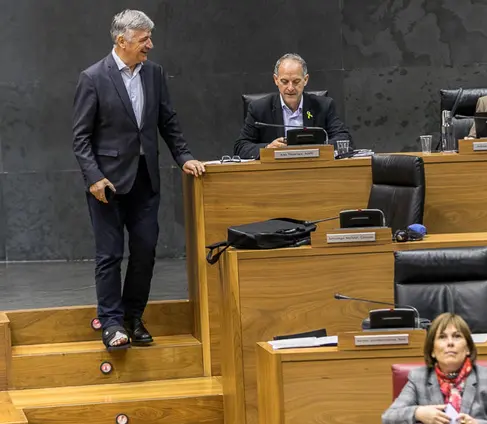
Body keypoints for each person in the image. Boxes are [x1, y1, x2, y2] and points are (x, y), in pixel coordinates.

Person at [72, 9, 205, 351]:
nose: (150, 45)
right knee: (110, 255)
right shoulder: (93, 78)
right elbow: (81, 138)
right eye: (144, 39)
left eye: (149, 38)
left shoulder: (154, 74)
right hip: (108, 186)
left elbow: (168, 122)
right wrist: (94, 177)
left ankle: (133, 317)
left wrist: (184, 156)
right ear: (122, 40)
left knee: (145, 251)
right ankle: (112, 323)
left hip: (146, 180)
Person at [382, 313, 487, 424]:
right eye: (442, 337)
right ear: (432, 351)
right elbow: (389, 418)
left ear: (467, 349)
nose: (450, 343)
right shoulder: (419, 378)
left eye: (457, 336)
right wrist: (418, 413)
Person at [234, 53, 352, 159]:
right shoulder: (259, 109)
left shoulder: (323, 106)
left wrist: (319, 148)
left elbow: (344, 139)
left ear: (305, 80)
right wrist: (267, 148)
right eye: (284, 81)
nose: (290, 88)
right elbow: (241, 147)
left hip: (315, 170)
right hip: (275, 174)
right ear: (276, 80)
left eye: (296, 82)